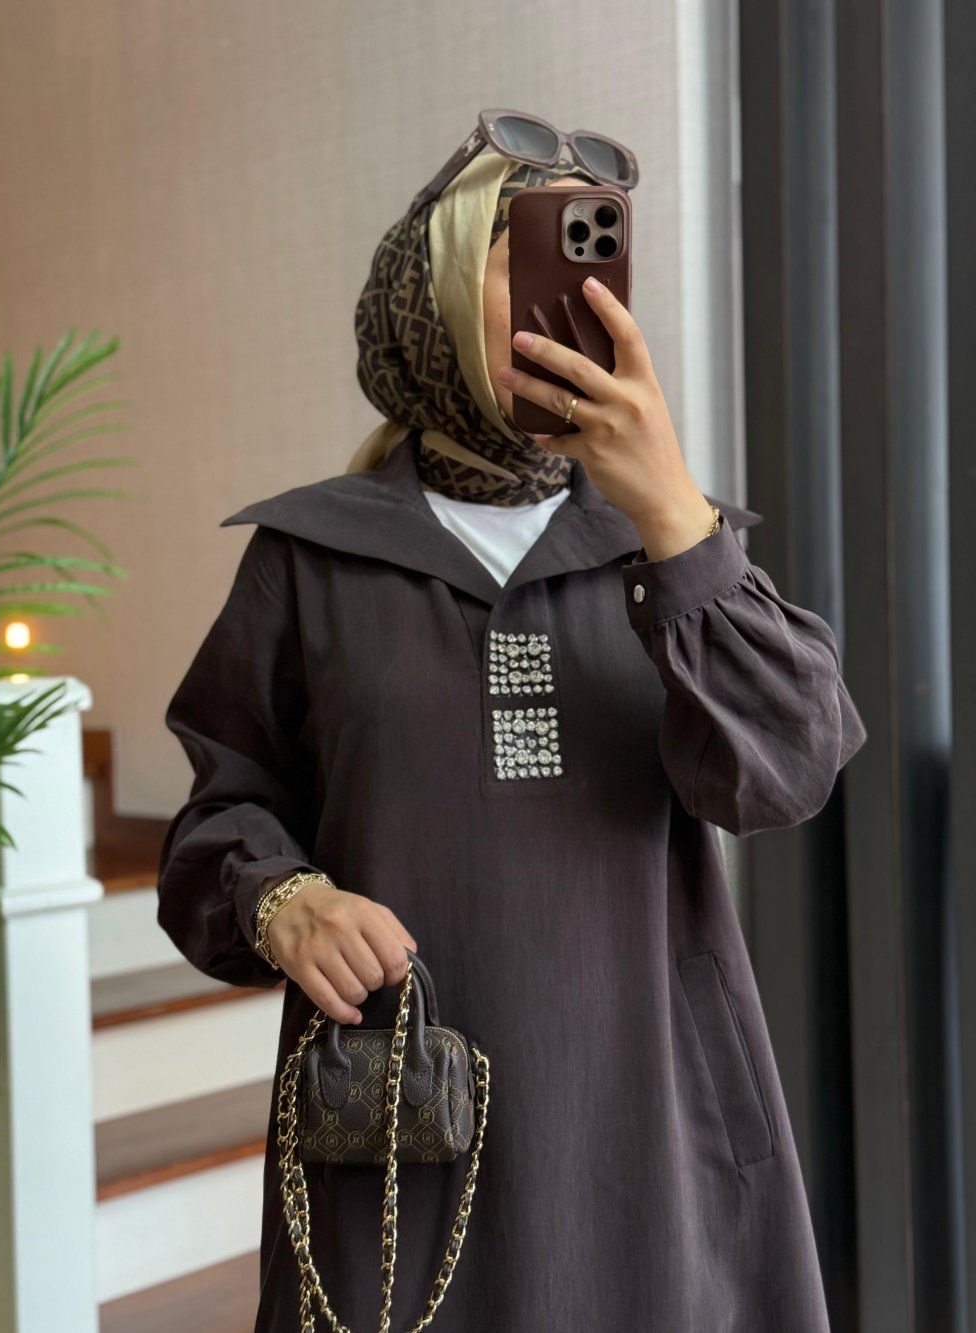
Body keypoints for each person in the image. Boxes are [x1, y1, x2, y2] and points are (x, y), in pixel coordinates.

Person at [157, 139, 867, 1333]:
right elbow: (214, 817)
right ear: (434, 293)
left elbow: (790, 769)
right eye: (531, 251)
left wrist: (671, 513)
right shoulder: (313, 559)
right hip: (400, 1131)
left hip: (655, 1136)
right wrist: (280, 898)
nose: (579, 289)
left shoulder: (677, 548)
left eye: (600, 255)